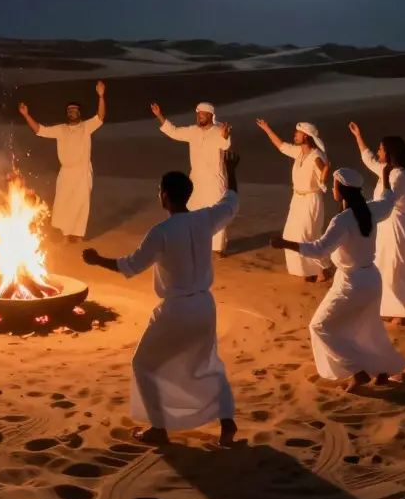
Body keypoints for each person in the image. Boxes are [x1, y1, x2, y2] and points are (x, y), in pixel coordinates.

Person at [80, 152, 242, 446]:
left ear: (165, 195)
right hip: (204, 306)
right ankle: (227, 421)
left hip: (176, 309)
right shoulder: (206, 218)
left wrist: (96, 259)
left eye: (159, 190)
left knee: (143, 364)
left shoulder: (161, 231)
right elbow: (231, 202)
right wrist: (231, 170)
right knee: (207, 362)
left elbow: (130, 265)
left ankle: (158, 428)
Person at [270, 167, 405, 392]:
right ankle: (381, 370)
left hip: (352, 283)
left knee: (319, 327)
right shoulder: (371, 209)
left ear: (341, 189)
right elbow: (388, 199)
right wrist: (384, 176)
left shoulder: (342, 220)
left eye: (334, 184)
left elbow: (319, 249)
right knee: (367, 328)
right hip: (371, 279)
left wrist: (285, 243)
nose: (332, 188)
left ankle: (357, 371)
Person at [347, 122, 405, 327]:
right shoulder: (387, 170)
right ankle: (397, 313)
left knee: (398, 269)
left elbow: (387, 198)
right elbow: (368, 159)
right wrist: (358, 136)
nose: (378, 152)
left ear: (390, 152)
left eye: (381, 149)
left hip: (396, 226)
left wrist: (383, 177)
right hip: (384, 226)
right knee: (383, 268)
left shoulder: (399, 175)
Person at [19, 81, 106, 243]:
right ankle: (65, 233)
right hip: (66, 171)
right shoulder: (61, 129)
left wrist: (101, 96)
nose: (72, 113)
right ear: (67, 114)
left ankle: (77, 235)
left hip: (82, 170)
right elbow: (39, 130)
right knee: (63, 203)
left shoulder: (86, 127)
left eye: (75, 111)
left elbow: (100, 117)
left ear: (79, 113)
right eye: (69, 111)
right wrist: (26, 115)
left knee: (81, 202)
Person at [150, 101, 232, 255]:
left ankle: (217, 248)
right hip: (196, 181)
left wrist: (225, 134)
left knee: (216, 214)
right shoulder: (193, 131)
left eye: (202, 114)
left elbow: (225, 144)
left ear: (210, 115)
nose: (199, 117)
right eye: (198, 114)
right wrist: (159, 115)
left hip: (214, 181)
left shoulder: (218, 131)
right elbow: (174, 131)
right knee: (191, 211)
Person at [256, 119, 332, 282]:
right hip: (297, 199)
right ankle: (309, 269)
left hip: (310, 200)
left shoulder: (316, 156)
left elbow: (323, 176)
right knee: (290, 234)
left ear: (306, 136)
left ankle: (319, 270)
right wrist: (266, 128)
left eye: (298, 133)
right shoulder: (299, 152)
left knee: (306, 235)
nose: (295, 135)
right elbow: (281, 145)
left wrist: (325, 170)